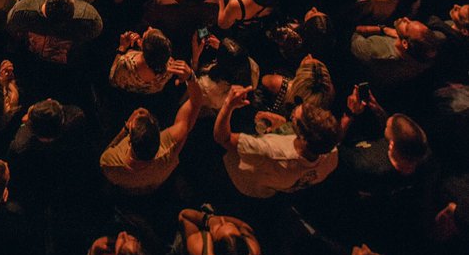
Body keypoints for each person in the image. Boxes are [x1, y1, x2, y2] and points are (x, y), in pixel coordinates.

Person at [214, 87, 340, 198]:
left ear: (303, 137)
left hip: (236, 177)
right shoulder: (332, 154)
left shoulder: (272, 152)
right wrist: (282, 125)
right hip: (268, 188)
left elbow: (223, 138)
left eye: (293, 119)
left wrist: (228, 104)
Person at [100, 63, 204, 193]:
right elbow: (196, 103)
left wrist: (125, 129)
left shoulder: (109, 163)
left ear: (130, 141)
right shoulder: (170, 150)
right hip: (155, 186)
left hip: (127, 189)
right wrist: (191, 77)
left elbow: (110, 147)